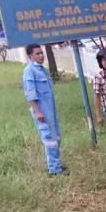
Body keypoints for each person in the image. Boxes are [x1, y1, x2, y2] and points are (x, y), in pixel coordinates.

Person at [23, 44, 66, 176]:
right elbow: (30, 93)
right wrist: (37, 111)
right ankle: (54, 170)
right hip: (41, 111)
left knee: (56, 137)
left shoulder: (42, 70)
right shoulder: (29, 71)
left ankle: (56, 165)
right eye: (37, 54)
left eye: (41, 53)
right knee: (50, 139)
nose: (41, 56)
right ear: (30, 56)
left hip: (50, 110)